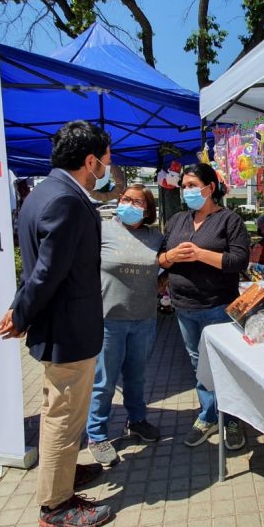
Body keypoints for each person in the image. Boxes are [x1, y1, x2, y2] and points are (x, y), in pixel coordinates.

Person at [0, 120, 114, 527]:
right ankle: (56, 505)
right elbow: (46, 272)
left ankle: (61, 473)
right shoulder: (66, 199)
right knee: (64, 415)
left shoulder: (42, 193)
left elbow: (35, 267)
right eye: (107, 157)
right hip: (68, 331)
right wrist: (22, 313)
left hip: (60, 327)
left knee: (57, 410)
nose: (108, 166)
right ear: (90, 160)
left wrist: (18, 307)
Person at [159, 163, 250, 449]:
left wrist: (200, 254)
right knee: (199, 364)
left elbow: (238, 262)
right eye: (184, 186)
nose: (186, 191)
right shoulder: (177, 221)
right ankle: (208, 415)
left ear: (209, 188)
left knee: (224, 363)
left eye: (192, 185)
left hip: (218, 305)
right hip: (184, 306)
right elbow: (160, 259)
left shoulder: (229, 220)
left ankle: (233, 418)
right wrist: (171, 256)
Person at [85, 184, 164, 466]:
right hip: (109, 319)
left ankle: (137, 420)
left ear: (147, 209)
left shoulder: (155, 237)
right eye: (126, 199)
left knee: (137, 376)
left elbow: (165, 267)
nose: (129, 204)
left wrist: (156, 288)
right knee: (104, 381)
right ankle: (96, 433)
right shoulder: (103, 230)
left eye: (137, 201)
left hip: (144, 318)